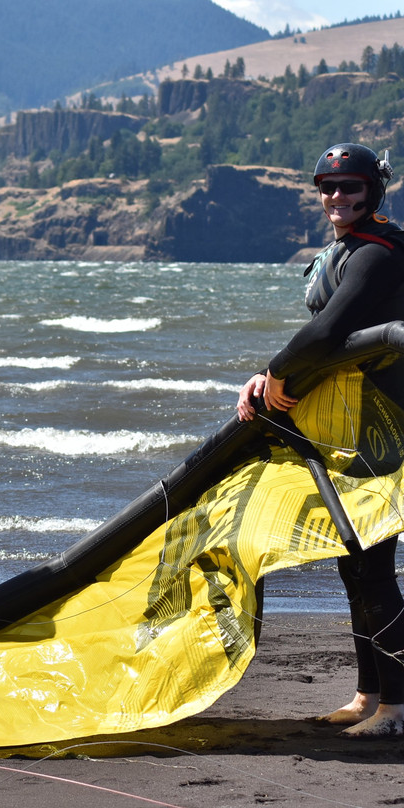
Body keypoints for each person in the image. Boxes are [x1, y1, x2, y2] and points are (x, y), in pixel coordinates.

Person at [237, 143, 404, 738]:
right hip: (342, 422)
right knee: (350, 564)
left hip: (382, 426)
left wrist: (278, 372)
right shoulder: (342, 250)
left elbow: (331, 330)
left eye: (350, 186)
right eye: (327, 187)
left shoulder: (380, 253)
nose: (337, 197)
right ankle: (368, 696)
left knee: (372, 562)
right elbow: (316, 336)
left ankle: (396, 710)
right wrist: (272, 371)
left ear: (374, 189)